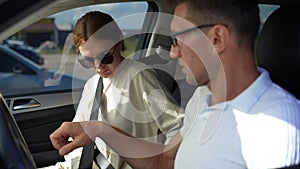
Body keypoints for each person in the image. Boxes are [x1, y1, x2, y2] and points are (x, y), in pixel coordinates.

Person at [50, 0, 300, 168]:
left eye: (178, 39)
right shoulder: (202, 98)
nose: (172, 53)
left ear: (217, 38)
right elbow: (164, 160)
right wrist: (98, 130)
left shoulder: (278, 129)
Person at [46, 11, 183, 169]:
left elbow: (178, 126)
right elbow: (79, 148)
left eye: (105, 57)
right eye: (88, 60)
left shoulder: (139, 76)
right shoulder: (92, 85)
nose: (98, 67)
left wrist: (165, 160)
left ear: (118, 42)